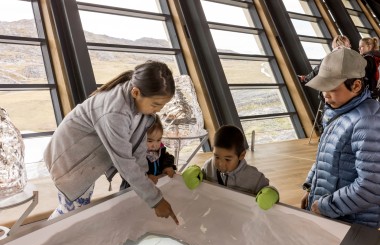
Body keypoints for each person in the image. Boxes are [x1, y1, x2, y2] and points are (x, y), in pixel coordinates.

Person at [44, 60, 179, 225]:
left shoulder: (141, 108)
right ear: (136, 92)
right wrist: (156, 200)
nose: (158, 110)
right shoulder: (115, 111)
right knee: (72, 211)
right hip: (69, 157)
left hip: (90, 154)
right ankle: (42, 242)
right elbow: (124, 160)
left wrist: (144, 175)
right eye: (156, 104)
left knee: (75, 209)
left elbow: (137, 148)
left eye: (162, 105)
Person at [301, 48, 380, 228]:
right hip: (329, 215)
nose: (325, 95)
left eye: (331, 89)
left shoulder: (369, 122)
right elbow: (326, 157)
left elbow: (371, 187)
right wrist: (311, 189)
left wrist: (325, 206)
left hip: (351, 224)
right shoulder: (338, 112)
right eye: (322, 88)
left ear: (356, 85)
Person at [181, 125, 279, 210]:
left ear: (242, 155)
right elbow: (199, 179)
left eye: (227, 159)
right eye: (216, 157)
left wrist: (271, 194)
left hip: (243, 222)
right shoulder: (208, 166)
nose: (221, 164)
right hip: (215, 217)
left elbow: (267, 191)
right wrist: (193, 170)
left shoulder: (254, 177)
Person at [119, 116, 176, 190]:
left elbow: (167, 158)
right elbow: (128, 171)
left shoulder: (160, 151)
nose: (155, 145)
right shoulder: (133, 154)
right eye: (149, 141)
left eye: (158, 140)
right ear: (139, 139)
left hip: (154, 187)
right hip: (132, 191)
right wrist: (145, 177)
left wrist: (167, 166)